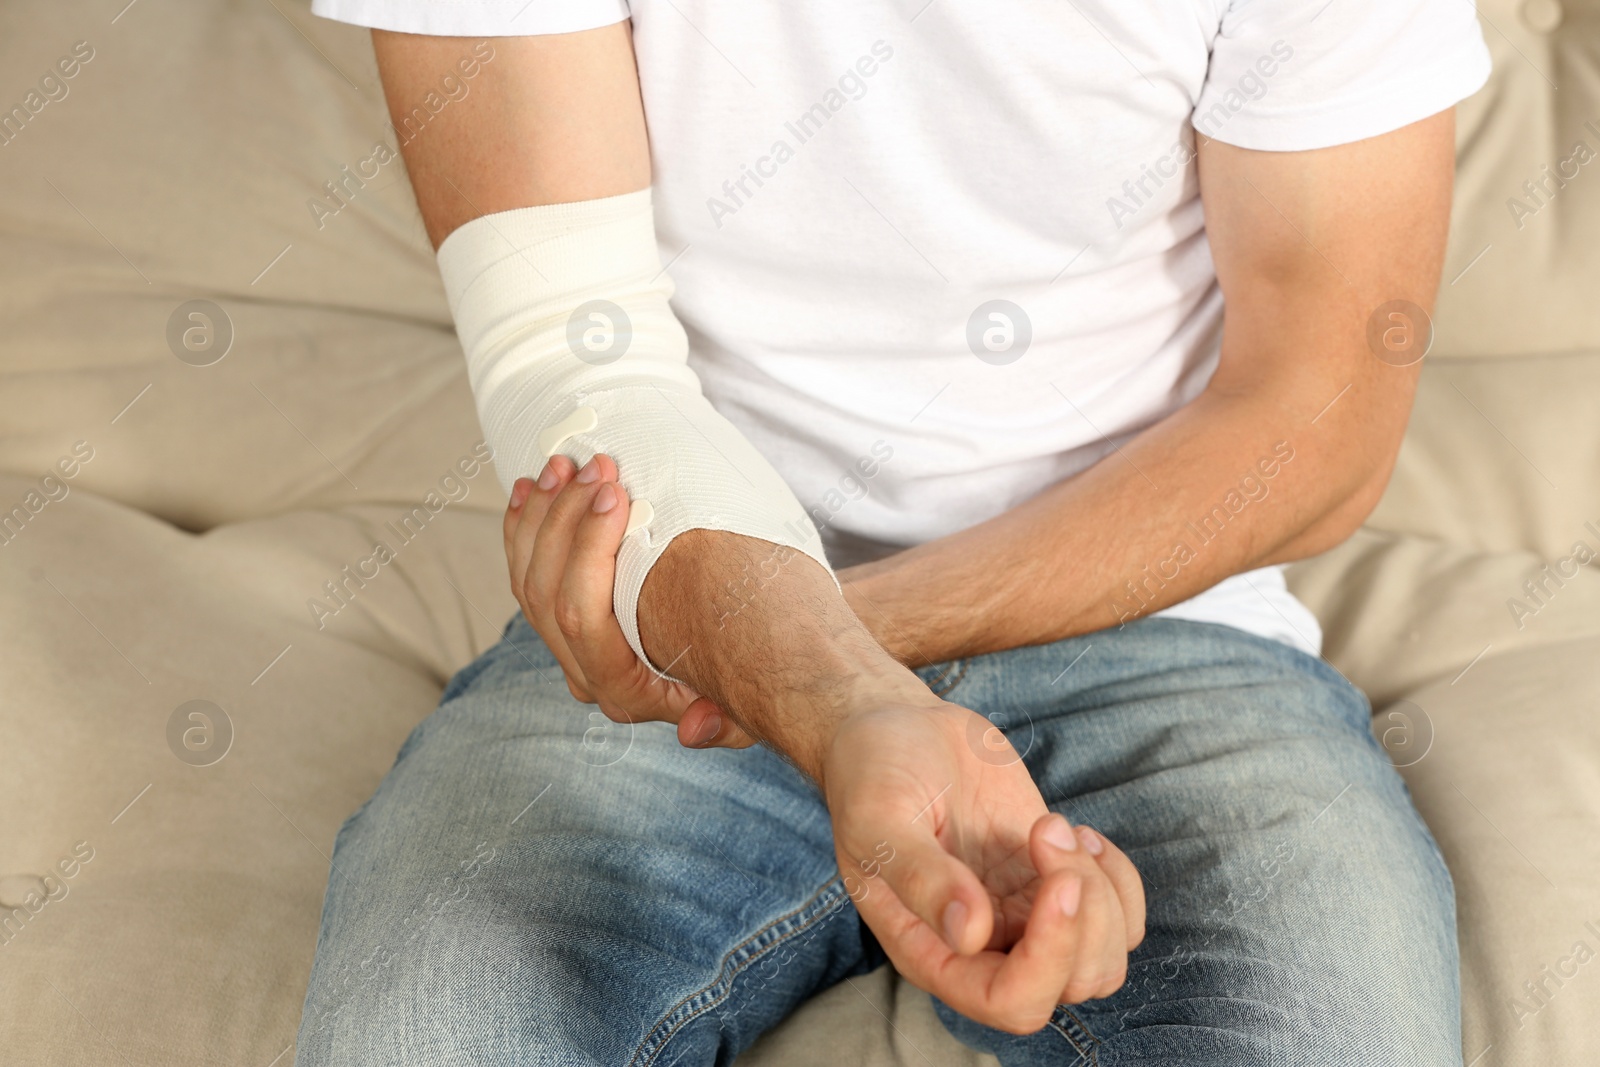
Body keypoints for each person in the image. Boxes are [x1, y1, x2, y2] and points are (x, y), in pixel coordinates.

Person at [294, 2, 1490, 1063]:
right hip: (688, 631)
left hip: (1150, 636)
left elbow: (1317, 419)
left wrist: (816, 653)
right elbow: (573, 350)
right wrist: (821, 682)